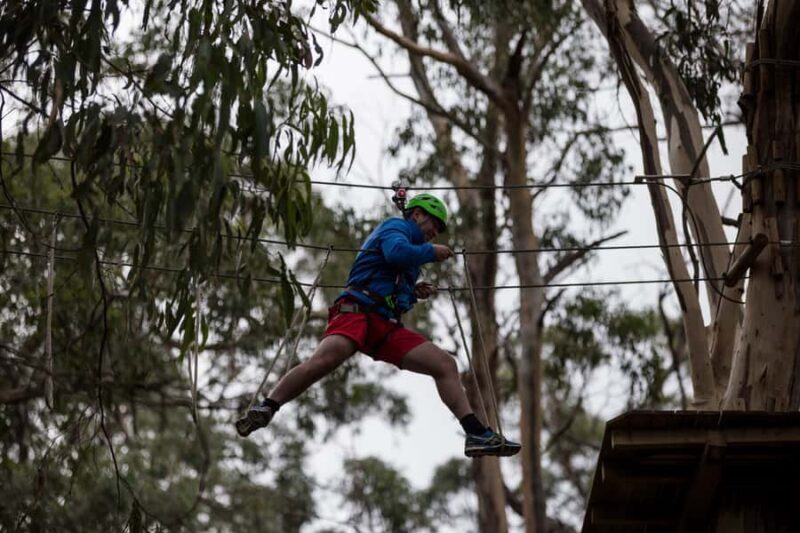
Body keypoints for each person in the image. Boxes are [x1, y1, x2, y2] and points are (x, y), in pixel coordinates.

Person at [236, 193, 521, 457]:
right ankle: (268, 406)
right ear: (417, 215)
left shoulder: (412, 258)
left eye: (439, 229)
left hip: (384, 325)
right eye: (434, 223)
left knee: (444, 364)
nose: (435, 231)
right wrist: (431, 252)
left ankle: (476, 433)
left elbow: (394, 289)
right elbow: (395, 252)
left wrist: (413, 292)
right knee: (325, 360)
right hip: (356, 311)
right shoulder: (395, 227)